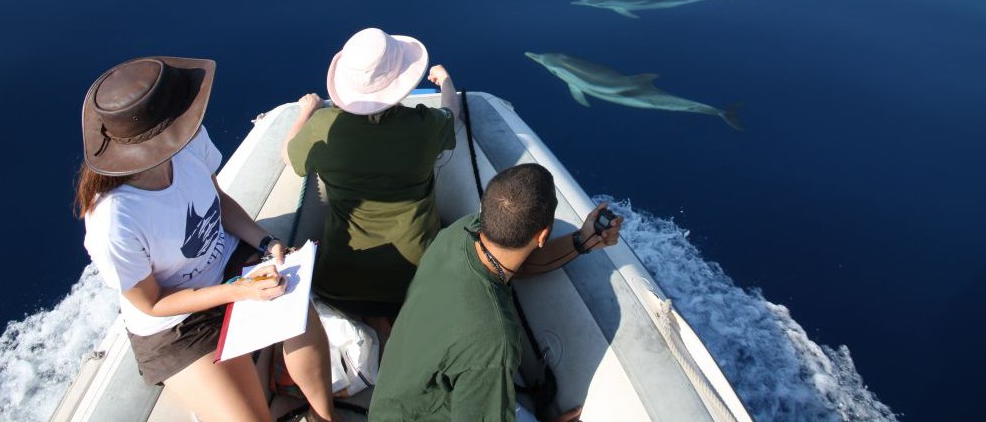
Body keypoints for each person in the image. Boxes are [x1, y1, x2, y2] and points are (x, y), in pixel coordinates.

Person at [75, 57, 336, 422]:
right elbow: (151, 304)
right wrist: (238, 291)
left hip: (231, 266)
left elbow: (219, 202)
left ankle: (327, 417)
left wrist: (265, 243)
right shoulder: (113, 220)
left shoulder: (188, 141)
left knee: (302, 318)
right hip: (175, 325)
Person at [368, 163, 624, 422]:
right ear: (543, 235)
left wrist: (582, 240)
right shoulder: (495, 337)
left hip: (398, 400)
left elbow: (518, 263)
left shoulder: (460, 233)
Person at [282, 27, 459, 337]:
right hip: (416, 275)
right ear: (402, 81)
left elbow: (289, 156)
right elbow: (450, 114)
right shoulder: (423, 127)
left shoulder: (324, 127)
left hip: (341, 280)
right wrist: (445, 81)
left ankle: (376, 323)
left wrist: (308, 111)